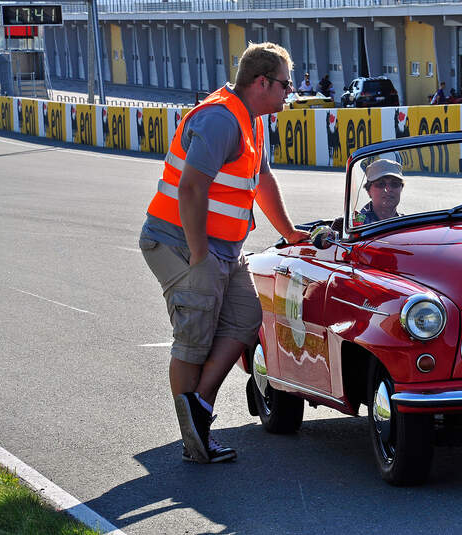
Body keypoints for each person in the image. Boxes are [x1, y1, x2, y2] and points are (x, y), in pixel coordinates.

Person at [139, 42, 308, 464]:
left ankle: (199, 407)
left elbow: (262, 180)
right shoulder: (220, 119)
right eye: (286, 85)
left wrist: (290, 233)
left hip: (224, 248)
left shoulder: (252, 119)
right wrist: (198, 255)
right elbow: (191, 187)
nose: (291, 93)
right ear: (261, 82)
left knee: (247, 317)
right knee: (193, 341)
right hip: (181, 243)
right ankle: (194, 439)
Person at [355, 159, 404, 224]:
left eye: (395, 184)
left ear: (401, 188)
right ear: (368, 191)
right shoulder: (359, 222)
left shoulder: (405, 222)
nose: (388, 189)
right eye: (381, 184)